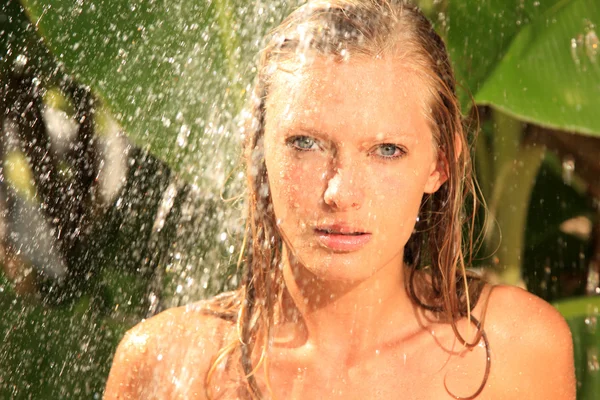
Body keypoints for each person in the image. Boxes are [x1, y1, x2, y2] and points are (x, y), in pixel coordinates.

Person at [104, 1, 576, 399]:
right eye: (305, 143)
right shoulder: (167, 364)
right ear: (257, 146)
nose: (339, 193)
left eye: (386, 150)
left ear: (440, 163)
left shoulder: (515, 350)